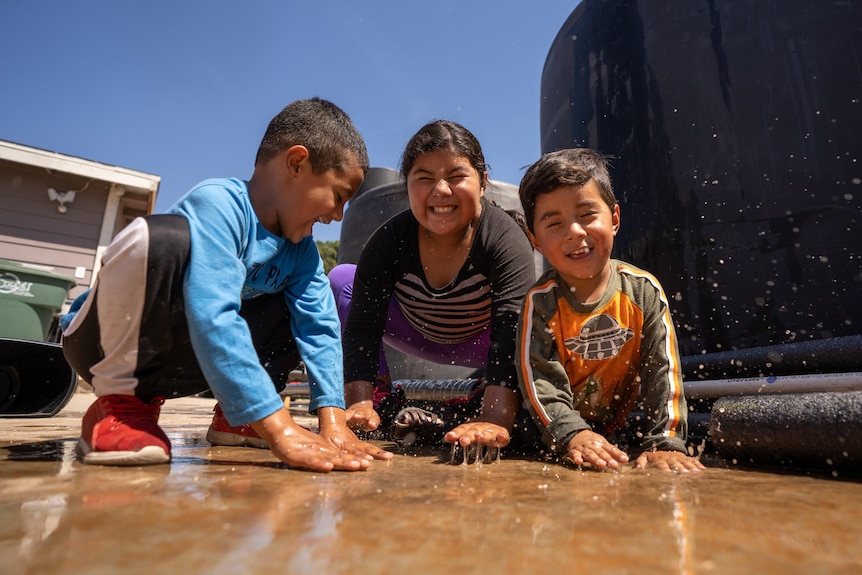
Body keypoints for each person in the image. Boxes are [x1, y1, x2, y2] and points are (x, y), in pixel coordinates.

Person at [60, 97, 392, 472]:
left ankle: (237, 418)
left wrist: (332, 422)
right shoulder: (218, 204)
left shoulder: (301, 253)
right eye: (338, 196)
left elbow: (321, 330)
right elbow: (212, 313)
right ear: (297, 163)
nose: (336, 215)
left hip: (192, 365)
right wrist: (279, 428)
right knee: (162, 238)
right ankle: (118, 406)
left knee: (303, 303)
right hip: (100, 345)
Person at [328, 120, 536, 451]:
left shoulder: (503, 239)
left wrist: (494, 421)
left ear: (482, 182)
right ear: (407, 186)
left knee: (541, 320)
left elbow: (512, 328)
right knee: (342, 278)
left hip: (484, 340)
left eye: (456, 176)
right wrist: (359, 403)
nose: (441, 190)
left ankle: (487, 394)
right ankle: (380, 400)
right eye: (424, 178)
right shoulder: (390, 241)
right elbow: (363, 329)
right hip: (416, 333)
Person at [516, 148, 704, 472]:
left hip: (614, 428)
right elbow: (540, 381)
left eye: (587, 214)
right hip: (548, 430)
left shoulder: (644, 292)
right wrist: (572, 433)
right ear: (535, 241)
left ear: (614, 219)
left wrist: (665, 442)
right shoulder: (541, 302)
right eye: (554, 223)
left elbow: (664, 373)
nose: (574, 232)